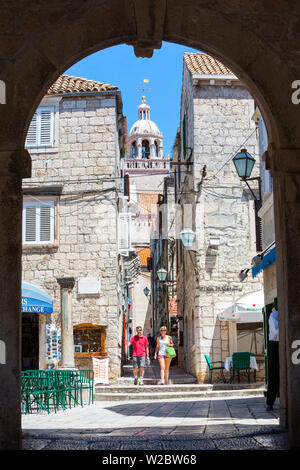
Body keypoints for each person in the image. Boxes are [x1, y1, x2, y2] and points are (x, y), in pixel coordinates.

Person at [266, 305, 279, 411]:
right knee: (274, 373)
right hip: (275, 344)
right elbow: (276, 331)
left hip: (282, 342)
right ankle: (270, 402)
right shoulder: (274, 315)